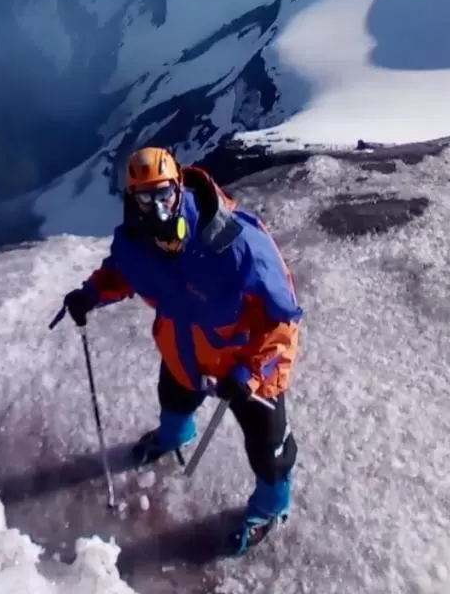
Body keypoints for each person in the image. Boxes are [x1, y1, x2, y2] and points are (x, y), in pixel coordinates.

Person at [61, 146, 302, 555]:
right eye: (145, 197)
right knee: (173, 396)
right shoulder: (137, 243)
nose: (156, 207)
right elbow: (123, 271)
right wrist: (92, 293)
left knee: (268, 448)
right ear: (131, 200)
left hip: (243, 366)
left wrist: (250, 372)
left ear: (178, 187)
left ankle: (270, 507)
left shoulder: (239, 246)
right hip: (185, 352)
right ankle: (175, 435)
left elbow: (282, 321)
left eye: (163, 194)